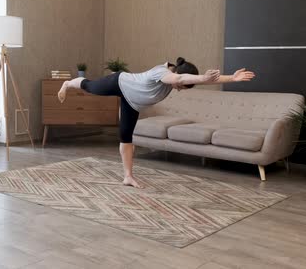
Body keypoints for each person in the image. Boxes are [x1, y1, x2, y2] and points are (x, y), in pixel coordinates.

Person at [57, 57, 255, 188]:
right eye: (183, 87)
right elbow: (179, 77)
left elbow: (193, 80)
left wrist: (232, 78)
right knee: (90, 87)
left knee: (126, 136)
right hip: (119, 82)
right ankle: (67, 83)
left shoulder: (174, 79)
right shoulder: (162, 73)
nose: (180, 89)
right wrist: (203, 76)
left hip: (132, 102)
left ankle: (128, 176)